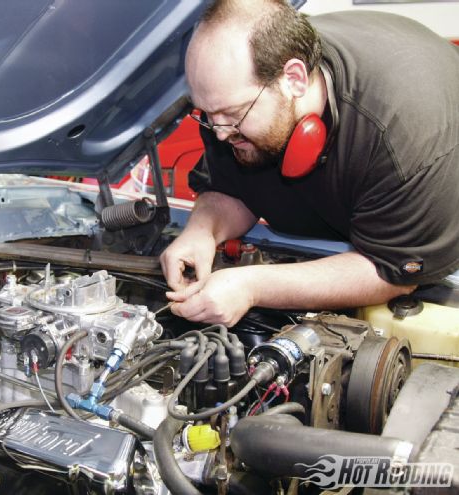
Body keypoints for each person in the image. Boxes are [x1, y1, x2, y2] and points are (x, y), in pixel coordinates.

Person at [160, 0, 459, 326]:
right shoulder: (232, 102)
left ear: (295, 79)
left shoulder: (403, 136)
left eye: (232, 115)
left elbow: (391, 271)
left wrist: (251, 285)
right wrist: (201, 232)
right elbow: (230, 190)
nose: (219, 134)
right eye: (208, 114)